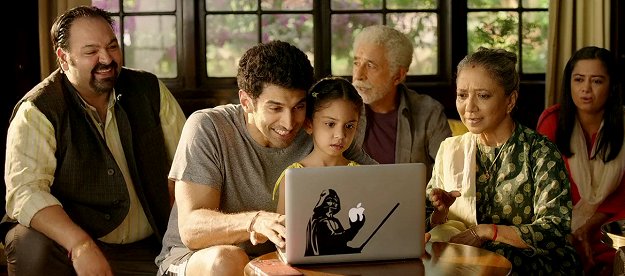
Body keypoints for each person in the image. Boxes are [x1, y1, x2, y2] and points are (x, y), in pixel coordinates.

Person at [155, 41, 375, 276]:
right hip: (196, 261)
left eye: (298, 106)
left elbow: (383, 184)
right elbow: (191, 230)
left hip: (278, 265)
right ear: (246, 102)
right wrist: (255, 221)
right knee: (228, 259)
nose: (289, 123)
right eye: (275, 108)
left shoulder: (321, 129)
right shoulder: (208, 127)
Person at [1, 5, 186, 276]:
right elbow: (25, 192)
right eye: (91, 52)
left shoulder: (149, 90)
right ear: (64, 59)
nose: (107, 59)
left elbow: (189, 164)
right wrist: (79, 244)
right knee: (26, 240)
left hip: (153, 245)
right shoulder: (38, 110)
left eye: (112, 46)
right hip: (73, 248)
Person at [425, 47, 582, 275]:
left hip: (534, 262)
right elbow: (430, 223)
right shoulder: (451, 150)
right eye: (462, 95)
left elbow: (555, 230)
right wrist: (441, 211)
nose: (469, 107)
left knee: (494, 258)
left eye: (483, 95)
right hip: (463, 261)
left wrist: (487, 232)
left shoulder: (539, 152)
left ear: (510, 101)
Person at [536, 46, 625, 275]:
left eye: (597, 81)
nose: (586, 90)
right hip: (564, 215)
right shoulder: (552, 121)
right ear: (568, 82)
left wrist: (588, 229)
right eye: (578, 80)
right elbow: (546, 188)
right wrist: (573, 230)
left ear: (611, 86)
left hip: (618, 215)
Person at [351, 25, 452, 181]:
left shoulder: (429, 112)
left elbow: (448, 173)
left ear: (398, 75)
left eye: (370, 66)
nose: (358, 75)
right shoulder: (340, 109)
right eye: (357, 63)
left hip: (409, 205)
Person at [273, 76, 364, 213]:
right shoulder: (294, 177)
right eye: (330, 124)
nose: (340, 135)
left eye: (349, 126)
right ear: (309, 125)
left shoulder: (362, 174)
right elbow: (282, 229)